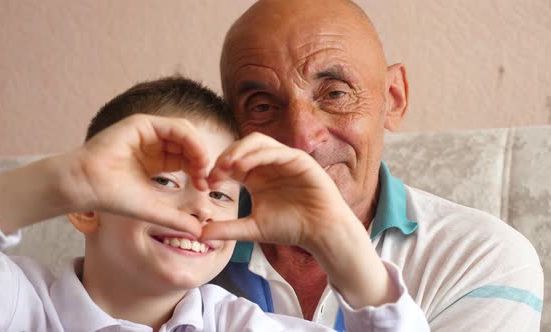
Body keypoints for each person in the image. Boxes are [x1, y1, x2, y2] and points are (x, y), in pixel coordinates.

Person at [0, 76, 428, 331]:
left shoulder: (241, 325)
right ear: (85, 207)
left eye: (222, 194)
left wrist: (338, 236)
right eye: (164, 181)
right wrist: (62, 179)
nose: (200, 208)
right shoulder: (10, 301)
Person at [209, 0, 544, 330]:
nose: (302, 141)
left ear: (394, 98)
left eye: (335, 94)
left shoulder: (480, 257)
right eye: (263, 106)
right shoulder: (185, 243)